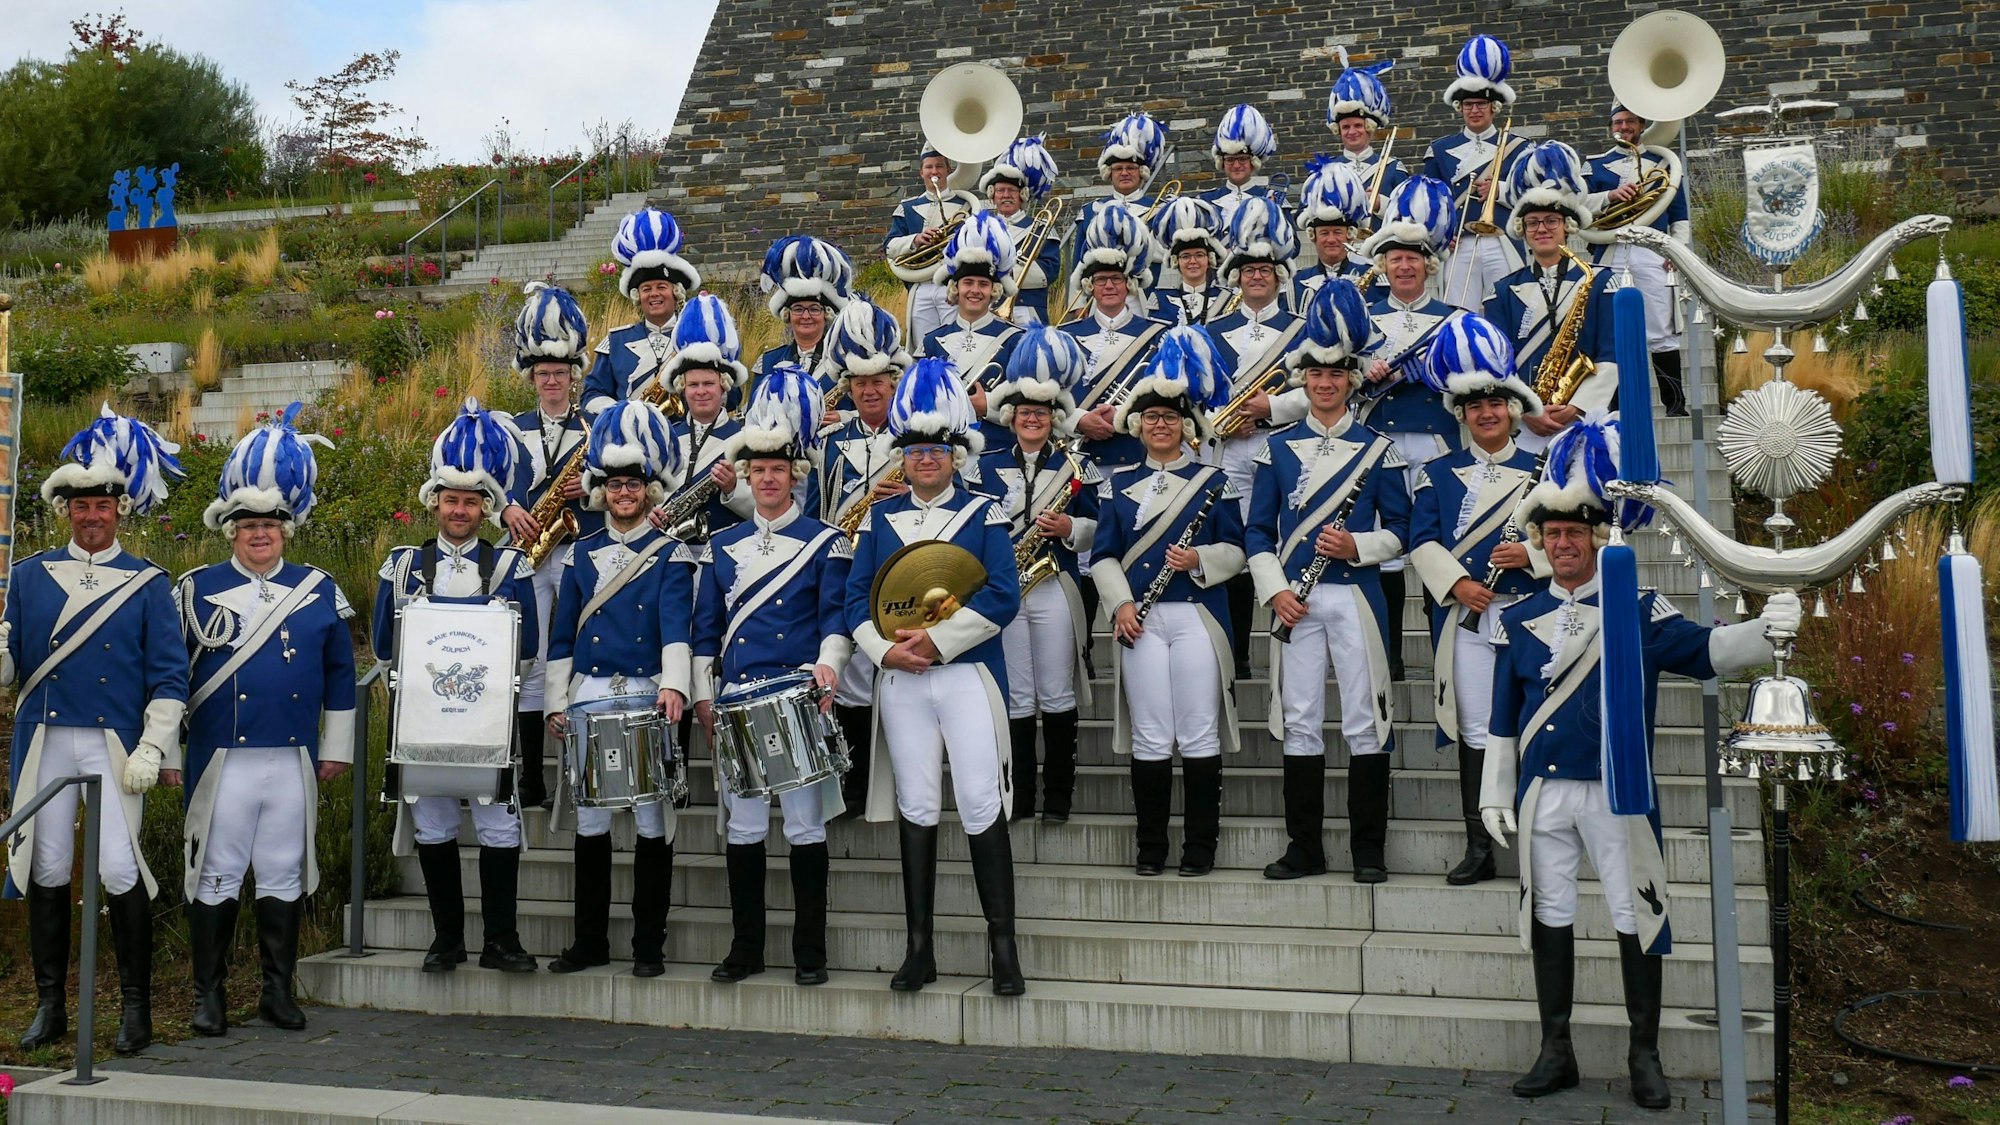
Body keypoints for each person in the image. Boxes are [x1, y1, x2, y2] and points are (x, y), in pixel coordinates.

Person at [1480, 414, 1800, 1109]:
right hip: (1545, 792)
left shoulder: (1640, 609)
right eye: (1553, 533)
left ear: (1598, 538)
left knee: (1637, 914)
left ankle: (1643, 1052)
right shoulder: (1518, 616)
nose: (1563, 544)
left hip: (1620, 792)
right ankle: (1555, 1048)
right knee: (1551, 912)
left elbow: (1706, 651)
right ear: (1539, 540)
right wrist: (1494, 791)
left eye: (1576, 533)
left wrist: (1763, 629)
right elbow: (1503, 716)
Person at [7, 406, 187, 1054]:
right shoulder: (26, 577)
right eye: (81, 507)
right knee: (45, 865)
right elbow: (12, 670)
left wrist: (152, 745)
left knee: (118, 866)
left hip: (114, 743)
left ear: (119, 511)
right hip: (47, 739)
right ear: (67, 511)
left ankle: (135, 1009)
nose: (91, 517)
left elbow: (170, 677)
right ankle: (51, 1005)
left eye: (102, 508)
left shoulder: (146, 583)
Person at [845, 357, 1024, 996]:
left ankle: (1003, 948)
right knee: (917, 805)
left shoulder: (986, 511)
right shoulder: (878, 520)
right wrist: (885, 653)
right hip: (901, 679)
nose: (927, 460)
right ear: (903, 455)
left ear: (957, 453)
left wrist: (939, 641)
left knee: (980, 801)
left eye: (939, 449)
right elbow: (852, 600)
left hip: (966, 674)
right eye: (916, 450)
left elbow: (1004, 595)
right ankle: (919, 949)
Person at [693, 364, 852, 986]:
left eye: (778, 470)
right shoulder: (721, 545)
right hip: (737, 700)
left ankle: (809, 953)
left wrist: (828, 671)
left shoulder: (825, 540)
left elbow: (834, 617)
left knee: (807, 828)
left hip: (797, 698)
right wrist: (705, 696)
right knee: (746, 827)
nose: (767, 479)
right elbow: (707, 629)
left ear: (794, 476)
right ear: (749, 477)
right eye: (758, 471)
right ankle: (746, 948)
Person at [1246, 281, 1409, 885]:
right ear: (1303, 381)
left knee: (1366, 719)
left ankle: (1368, 848)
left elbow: (1402, 530)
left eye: (1336, 374)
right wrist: (1275, 591)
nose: (1324, 383)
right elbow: (1257, 535)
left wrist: (1358, 546)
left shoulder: (1379, 448)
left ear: (1351, 380)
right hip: (1294, 600)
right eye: (1314, 374)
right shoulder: (1276, 449)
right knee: (1301, 716)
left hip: (1357, 596)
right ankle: (1305, 848)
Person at [371, 399, 540, 976]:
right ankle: (447, 939)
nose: (460, 509)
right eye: (451, 500)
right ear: (435, 504)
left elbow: (530, 645)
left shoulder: (512, 566)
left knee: (498, 824)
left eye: (471, 501)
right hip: (423, 721)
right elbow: (383, 644)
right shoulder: (402, 565)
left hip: (489, 723)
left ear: (485, 508)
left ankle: (502, 939)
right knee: (435, 824)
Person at [543, 400, 695, 979]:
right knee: (592, 823)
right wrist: (557, 701)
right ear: (600, 490)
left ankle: (648, 945)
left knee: (653, 822)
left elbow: (677, 625)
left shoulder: (669, 553)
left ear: (650, 490)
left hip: (647, 694)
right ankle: (590, 942)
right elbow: (562, 634)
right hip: (590, 696)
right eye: (614, 485)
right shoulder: (579, 555)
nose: (624, 493)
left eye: (634, 484)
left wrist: (676, 687)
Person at [1088, 327, 1243, 879]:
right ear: (1138, 425)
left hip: (1197, 614)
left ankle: (1200, 847)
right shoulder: (1117, 481)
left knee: (1198, 727)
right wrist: (1121, 605)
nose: (1160, 425)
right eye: (1151, 418)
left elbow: (1237, 551)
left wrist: (1199, 559)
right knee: (1152, 731)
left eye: (1171, 418)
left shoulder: (1213, 479)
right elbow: (1103, 555)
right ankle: (1151, 846)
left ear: (1186, 425)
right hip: (1141, 617)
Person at [1405, 315, 1547, 886]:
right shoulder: (1438, 472)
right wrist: (1457, 585)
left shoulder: (1542, 473)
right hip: (1467, 616)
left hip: (1527, 615)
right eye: (1474, 408)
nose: (1486, 415)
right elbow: (1421, 540)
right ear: (1461, 414)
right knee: (1473, 729)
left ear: (1511, 411)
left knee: (1535, 723)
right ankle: (1479, 845)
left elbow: (1573, 540)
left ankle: (1538, 840)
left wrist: (1532, 559)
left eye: (1496, 406)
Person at [972, 327, 1100, 823]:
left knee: (1057, 692)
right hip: (1006, 589)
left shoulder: (1077, 465)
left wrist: (1070, 527)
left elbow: (1097, 527)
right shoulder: (984, 465)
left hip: (1053, 586)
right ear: (1011, 416)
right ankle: (1021, 794)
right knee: (1018, 695)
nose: (1032, 419)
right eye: (1025, 413)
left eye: (1041, 413)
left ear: (1054, 418)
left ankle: (1059, 798)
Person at [1355, 174, 1465, 683]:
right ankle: (1391, 652)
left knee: (1434, 539)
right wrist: (1363, 374)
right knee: (1386, 545)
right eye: (1395, 258)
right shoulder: (1362, 317)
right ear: (1383, 266)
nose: (1403, 265)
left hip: (1436, 437)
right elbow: (1337, 378)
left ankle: (1445, 643)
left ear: (1428, 265)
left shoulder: (1455, 318)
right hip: (1379, 440)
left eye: (1413, 258)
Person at [806, 299, 913, 814]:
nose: (870, 391)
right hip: (844, 565)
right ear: (847, 387)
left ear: (894, 382)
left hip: (899, 569)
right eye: (860, 383)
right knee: (846, 678)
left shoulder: (918, 442)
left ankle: (897, 783)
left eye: (880, 382)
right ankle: (852, 783)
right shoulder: (829, 442)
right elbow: (813, 509)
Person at [501, 283, 597, 810]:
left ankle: (586, 770)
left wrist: (593, 488)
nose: (552, 381)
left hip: (576, 546)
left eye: (560, 373)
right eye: (543, 374)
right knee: (532, 659)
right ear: (531, 379)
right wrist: (506, 509)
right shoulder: (511, 428)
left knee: (582, 647)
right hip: (526, 549)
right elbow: (489, 483)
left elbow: (620, 488)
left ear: (572, 376)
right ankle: (532, 777)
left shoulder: (594, 427)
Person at [1207, 196, 1309, 675]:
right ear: (1237, 278)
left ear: (1279, 276)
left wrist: (1268, 411)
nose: (1256, 277)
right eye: (1248, 271)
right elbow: (1198, 392)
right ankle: (1239, 651)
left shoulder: (1301, 328)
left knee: (1279, 534)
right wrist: (1224, 421)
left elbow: (1320, 394)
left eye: (1265, 271)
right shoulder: (1212, 329)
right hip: (1227, 447)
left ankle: (1290, 639)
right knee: (1234, 544)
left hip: (1279, 444)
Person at [1484, 142, 1622, 454]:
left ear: (1567, 227)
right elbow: (1498, 364)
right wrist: (1527, 409)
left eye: (1551, 221)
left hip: (1588, 418)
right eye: (1532, 222)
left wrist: (1579, 406)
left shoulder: (1601, 282)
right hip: (1525, 423)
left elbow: (1612, 353)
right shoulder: (1501, 291)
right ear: (1523, 230)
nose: (1541, 228)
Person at [1586, 103, 1692, 416]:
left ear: (1641, 124)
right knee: (1609, 327)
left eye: (1629, 121)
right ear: (1610, 127)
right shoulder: (1596, 166)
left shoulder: (1662, 163)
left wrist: (1678, 250)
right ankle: (1615, 405)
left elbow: (1679, 213)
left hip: (1651, 249)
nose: (1623, 127)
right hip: (1610, 250)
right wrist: (1609, 197)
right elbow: (1577, 207)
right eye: (1617, 122)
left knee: (1661, 325)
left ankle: (1675, 404)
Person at [1061, 203, 1171, 477]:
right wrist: (1080, 419)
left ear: (1129, 285)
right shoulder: (1065, 335)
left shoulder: (1158, 333)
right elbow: (1050, 392)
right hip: (1076, 457)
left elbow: (1166, 393)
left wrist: (1121, 415)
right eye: (1100, 280)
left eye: (1115, 279)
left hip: (1136, 453)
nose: (1108, 286)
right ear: (1090, 287)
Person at [1424, 36, 1528, 312]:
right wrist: (1441, 236)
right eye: (1468, 104)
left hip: (1502, 239)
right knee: (1458, 313)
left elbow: (1533, 194)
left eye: (1482, 104)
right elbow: (1430, 202)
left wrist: (1501, 190)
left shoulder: (1519, 147)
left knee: (1508, 310)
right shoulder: (1440, 149)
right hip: (1460, 244)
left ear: (1494, 107)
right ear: (1460, 108)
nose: (1475, 110)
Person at [584, 207, 702, 418]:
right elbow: (593, 393)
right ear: (638, 297)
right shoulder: (616, 340)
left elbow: (728, 394)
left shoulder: (697, 337)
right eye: (646, 289)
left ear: (676, 293)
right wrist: (621, 415)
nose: (654, 294)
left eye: (661, 287)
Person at [657, 292, 754, 543]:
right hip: (665, 551)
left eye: (709, 383)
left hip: (725, 551)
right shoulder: (665, 434)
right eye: (693, 385)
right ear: (682, 389)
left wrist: (734, 489)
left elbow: (765, 508)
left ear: (723, 387)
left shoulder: (746, 438)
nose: (701, 391)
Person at [921, 209, 1022, 449]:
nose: (975, 290)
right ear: (955, 288)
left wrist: (987, 407)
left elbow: (1028, 407)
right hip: (944, 452)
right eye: (967, 283)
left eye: (983, 284)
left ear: (994, 291)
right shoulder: (932, 341)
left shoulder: (1015, 340)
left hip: (996, 450)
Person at [884, 145, 982, 346]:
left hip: (953, 284)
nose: (934, 172)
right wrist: (916, 240)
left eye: (939, 166)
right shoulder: (907, 207)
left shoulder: (967, 206)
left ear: (948, 170)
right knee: (923, 346)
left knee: (957, 342)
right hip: (921, 286)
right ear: (921, 172)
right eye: (929, 167)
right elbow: (889, 247)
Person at [754, 234, 855, 407]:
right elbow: (752, 417)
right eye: (798, 309)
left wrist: (842, 417)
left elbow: (871, 415)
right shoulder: (768, 362)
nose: (806, 316)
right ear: (788, 315)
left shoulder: (846, 360)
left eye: (814, 309)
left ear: (826, 314)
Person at [1072, 112, 1169, 285]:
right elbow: (1079, 259)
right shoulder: (1090, 211)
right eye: (1118, 169)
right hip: (1101, 295)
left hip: (1148, 294)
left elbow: (1166, 255)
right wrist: (1078, 301)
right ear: (1110, 174)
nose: (1124, 173)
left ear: (1141, 173)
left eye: (1131, 168)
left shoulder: (1160, 209)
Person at [980, 136, 1064, 328]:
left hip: (1030, 309)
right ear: (993, 196)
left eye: (1012, 190)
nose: (1006, 195)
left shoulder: (1041, 227)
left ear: (1022, 196)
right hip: (988, 307)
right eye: (1000, 191)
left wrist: (997, 273)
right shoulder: (981, 228)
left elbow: (1049, 272)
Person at [1325, 51, 1407, 214]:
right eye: (1346, 127)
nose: (1352, 132)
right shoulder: (1326, 170)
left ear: (1368, 127)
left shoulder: (1392, 167)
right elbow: (1304, 212)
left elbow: (1410, 212)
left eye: (1357, 125)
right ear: (1339, 131)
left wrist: (1380, 204)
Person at [1145, 196, 1233, 326]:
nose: (1192, 261)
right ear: (1176, 261)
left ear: (1210, 259)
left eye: (1199, 255)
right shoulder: (1160, 299)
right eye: (1185, 256)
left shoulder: (1225, 297)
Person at [1293, 161, 1375, 299]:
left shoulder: (1371, 279)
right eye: (1324, 233)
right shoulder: (1296, 282)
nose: (1331, 240)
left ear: (1350, 235)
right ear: (1313, 236)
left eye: (1337, 232)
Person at [1198, 104, 1277, 219]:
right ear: (1222, 163)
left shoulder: (1272, 199)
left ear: (1253, 162)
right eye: (1230, 160)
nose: (1236, 165)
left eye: (1242, 159)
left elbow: (1290, 237)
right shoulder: (1205, 201)